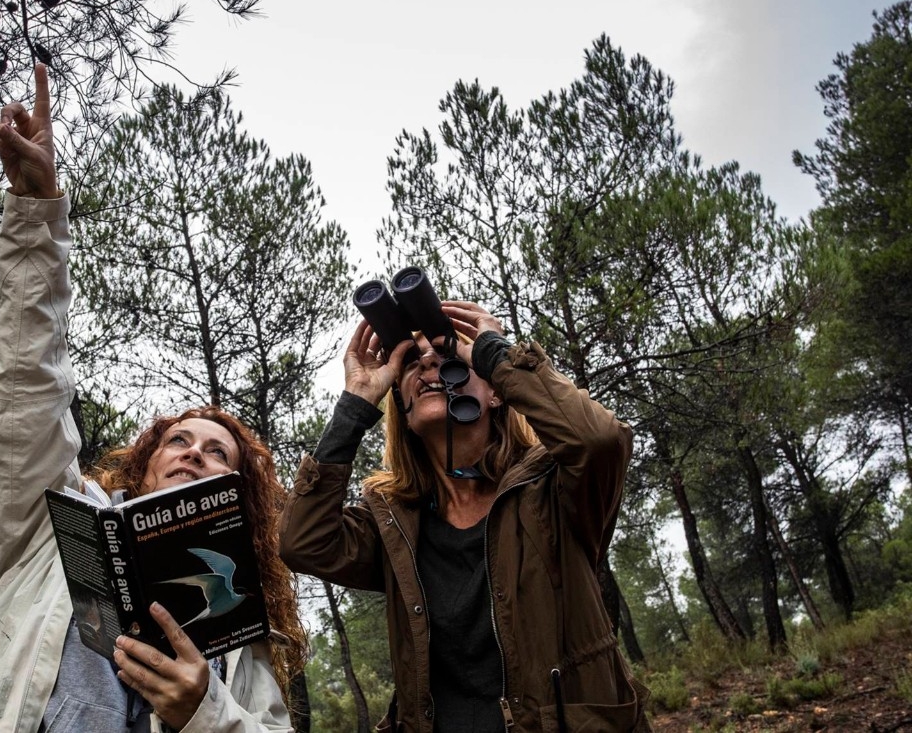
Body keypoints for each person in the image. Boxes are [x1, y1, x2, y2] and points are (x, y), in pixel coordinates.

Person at [0, 64, 307, 733]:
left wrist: (207, 710)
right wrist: (36, 217)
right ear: (144, 461)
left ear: (238, 491)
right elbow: (25, 384)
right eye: (179, 441)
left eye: (217, 453)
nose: (193, 453)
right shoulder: (50, 530)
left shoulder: (244, 642)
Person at [279, 303, 651, 732]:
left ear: (496, 392)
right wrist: (354, 407)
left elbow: (599, 440)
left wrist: (495, 353)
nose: (431, 363)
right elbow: (302, 543)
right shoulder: (395, 525)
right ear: (402, 404)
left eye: (449, 360)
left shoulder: (554, 492)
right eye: (414, 364)